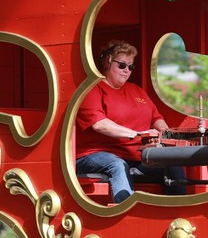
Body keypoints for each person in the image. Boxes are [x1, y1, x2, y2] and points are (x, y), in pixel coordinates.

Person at [75, 39, 186, 203]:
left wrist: (167, 137)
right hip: (93, 154)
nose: (127, 70)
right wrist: (136, 134)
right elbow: (99, 124)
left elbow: (156, 118)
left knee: (171, 161)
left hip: (135, 157)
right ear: (107, 62)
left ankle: (178, 209)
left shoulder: (136, 90)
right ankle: (125, 212)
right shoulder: (92, 89)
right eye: (122, 65)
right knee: (117, 164)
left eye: (131, 66)